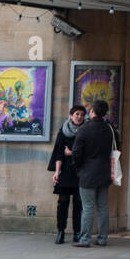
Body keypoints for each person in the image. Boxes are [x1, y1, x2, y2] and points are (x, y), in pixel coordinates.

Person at [71, 100, 114, 247]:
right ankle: (102, 238)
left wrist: (78, 168)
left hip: (87, 172)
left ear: (92, 112)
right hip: (104, 171)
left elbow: (76, 152)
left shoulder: (84, 129)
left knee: (88, 207)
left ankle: (85, 239)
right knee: (102, 206)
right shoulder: (109, 129)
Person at [47, 105, 85, 244]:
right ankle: (61, 231)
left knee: (78, 203)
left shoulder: (85, 131)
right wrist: (57, 172)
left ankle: (77, 232)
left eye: (81, 114)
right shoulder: (63, 131)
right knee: (62, 202)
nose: (79, 117)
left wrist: (71, 153)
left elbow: (86, 152)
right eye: (77, 114)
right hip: (66, 171)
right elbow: (59, 153)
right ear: (70, 116)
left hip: (80, 171)